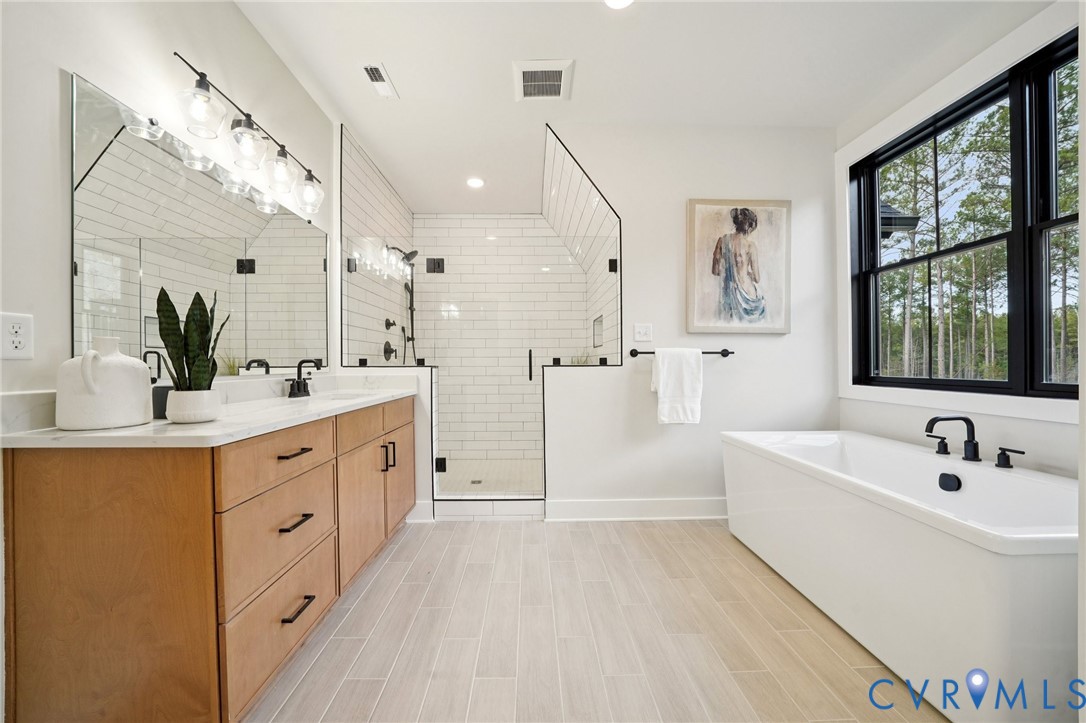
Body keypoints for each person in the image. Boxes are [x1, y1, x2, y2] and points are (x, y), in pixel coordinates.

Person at [712, 207, 766, 322]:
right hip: (747, 293)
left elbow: (715, 271)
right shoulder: (751, 246)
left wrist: (730, 270)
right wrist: (746, 272)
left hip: (728, 295)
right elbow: (757, 278)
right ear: (749, 227)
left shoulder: (722, 241)